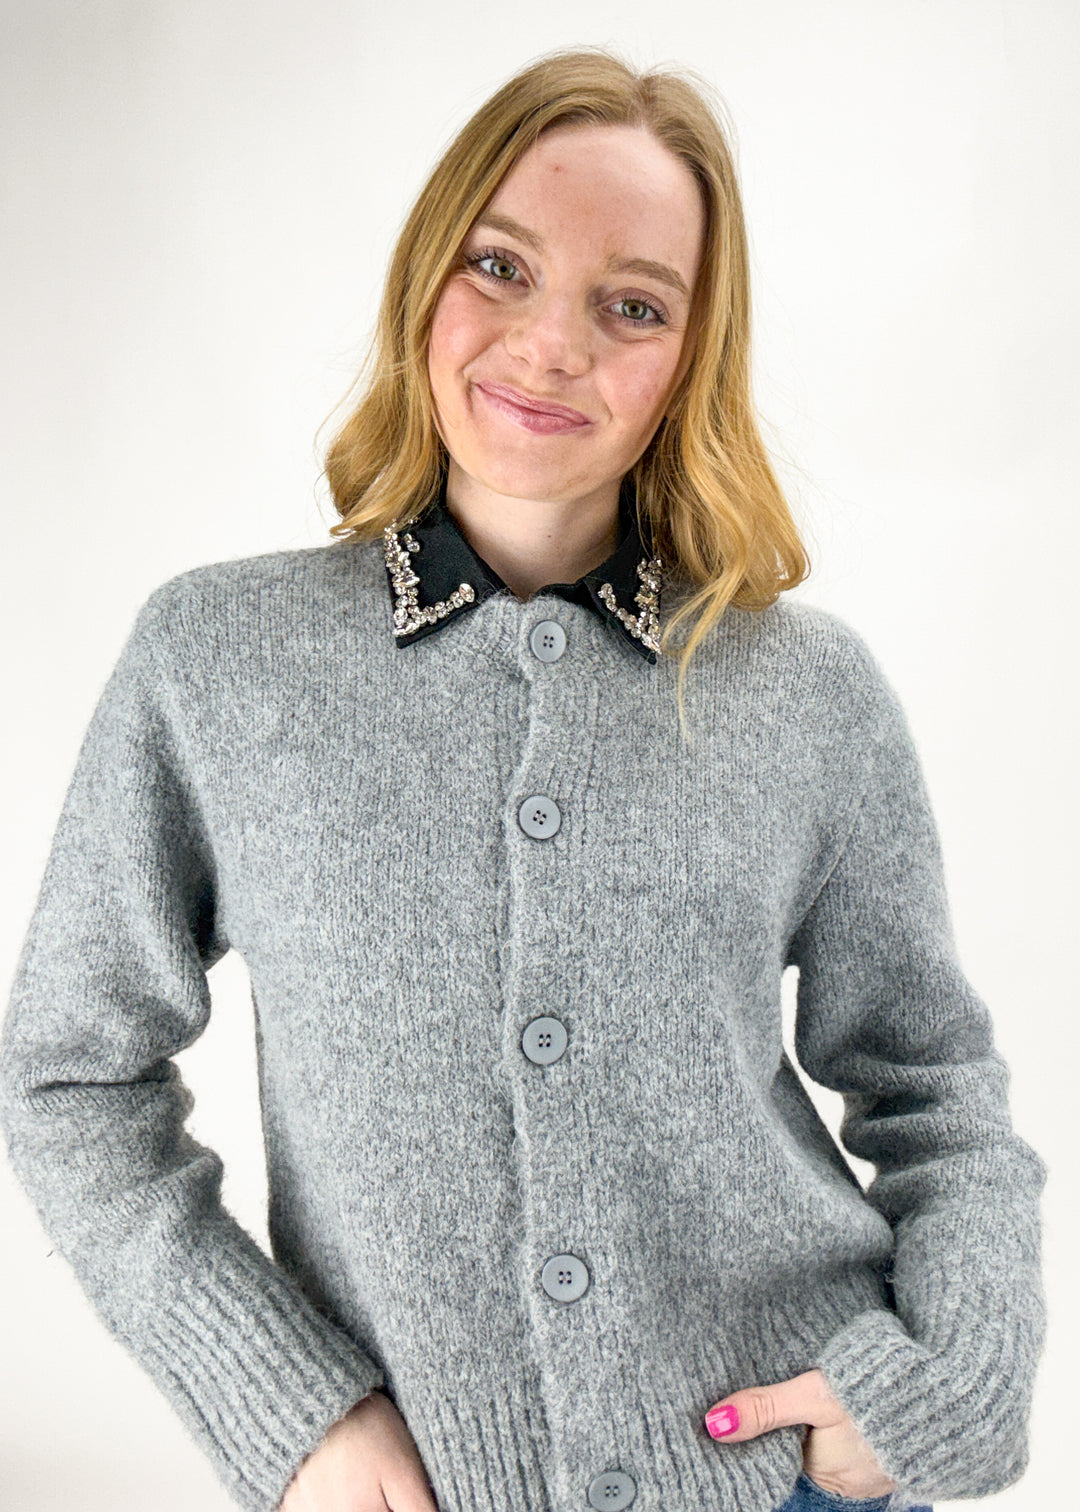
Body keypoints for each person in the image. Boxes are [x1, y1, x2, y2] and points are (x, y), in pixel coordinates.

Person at [0, 44, 1047, 1512]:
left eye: (632, 304)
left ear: (691, 352)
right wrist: (294, 1412)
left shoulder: (806, 692)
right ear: (426, 279)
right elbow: (68, 1072)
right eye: (500, 267)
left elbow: (934, 1082)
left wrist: (947, 1386)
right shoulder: (219, 659)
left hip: (795, 1482)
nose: (553, 345)